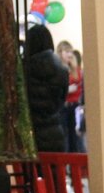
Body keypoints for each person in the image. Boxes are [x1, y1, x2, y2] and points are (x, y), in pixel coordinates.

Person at [23, 23, 70, 153]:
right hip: (55, 134)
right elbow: (62, 101)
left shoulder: (23, 70)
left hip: (30, 134)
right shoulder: (62, 70)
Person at [57, 40, 86, 153]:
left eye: (70, 51)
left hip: (75, 107)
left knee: (76, 138)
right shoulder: (59, 69)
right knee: (66, 137)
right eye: (66, 51)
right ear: (60, 53)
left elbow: (79, 84)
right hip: (64, 106)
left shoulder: (76, 69)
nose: (69, 54)